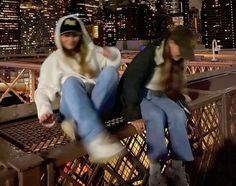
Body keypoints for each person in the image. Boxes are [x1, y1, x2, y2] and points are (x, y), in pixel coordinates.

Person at [35, 15, 125, 163]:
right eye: (66, 35)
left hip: (97, 103)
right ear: (59, 36)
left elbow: (113, 61)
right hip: (71, 107)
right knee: (70, 80)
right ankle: (95, 137)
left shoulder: (92, 53)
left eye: (74, 35)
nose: (70, 40)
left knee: (110, 72)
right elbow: (43, 89)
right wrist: (45, 110)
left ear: (81, 35)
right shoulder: (54, 60)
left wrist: (112, 55)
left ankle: (82, 126)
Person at [117, 26, 196, 186]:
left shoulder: (177, 59)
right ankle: (155, 174)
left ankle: (177, 168)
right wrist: (134, 116)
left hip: (158, 94)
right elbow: (130, 82)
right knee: (155, 117)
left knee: (178, 115)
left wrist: (182, 102)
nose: (182, 54)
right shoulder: (150, 53)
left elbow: (175, 86)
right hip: (139, 93)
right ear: (171, 42)